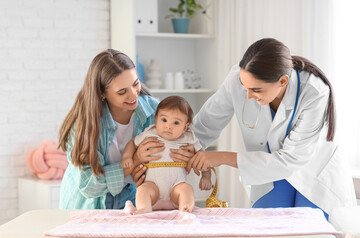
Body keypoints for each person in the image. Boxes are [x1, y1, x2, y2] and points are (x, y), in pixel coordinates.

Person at [186, 38, 356, 219]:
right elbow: (205, 124)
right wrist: (180, 148)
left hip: (312, 171)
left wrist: (221, 157)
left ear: (283, 81)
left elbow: (290, 160)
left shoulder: (314, 92)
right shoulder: (238, 79)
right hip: (269, 171)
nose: (248, 95)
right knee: (265, 226)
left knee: (308, 228)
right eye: (245, 87)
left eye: (256, 90)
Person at [58, 49, 163, 209]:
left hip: (134, 197)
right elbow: (89, 185)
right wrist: (133, 163)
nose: (134, 95)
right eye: (122, 92)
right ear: (102, 93)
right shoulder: (85, 124)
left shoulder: (153, 111)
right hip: (91, 205)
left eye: (136, 84)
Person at [122, 96, 212, 214]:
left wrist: (206, 176)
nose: (168, 126)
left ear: (185, 126)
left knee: (186, 189)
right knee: (143, 189)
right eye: (164, 120)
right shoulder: (150, 132)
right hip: (153, 187)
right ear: (156, 119)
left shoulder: (189, 137)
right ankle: (144, 207)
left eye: (176, 122)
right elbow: (133, 143)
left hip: (176, 186)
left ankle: (185, 208)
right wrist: (127, 157)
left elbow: (202, 157)